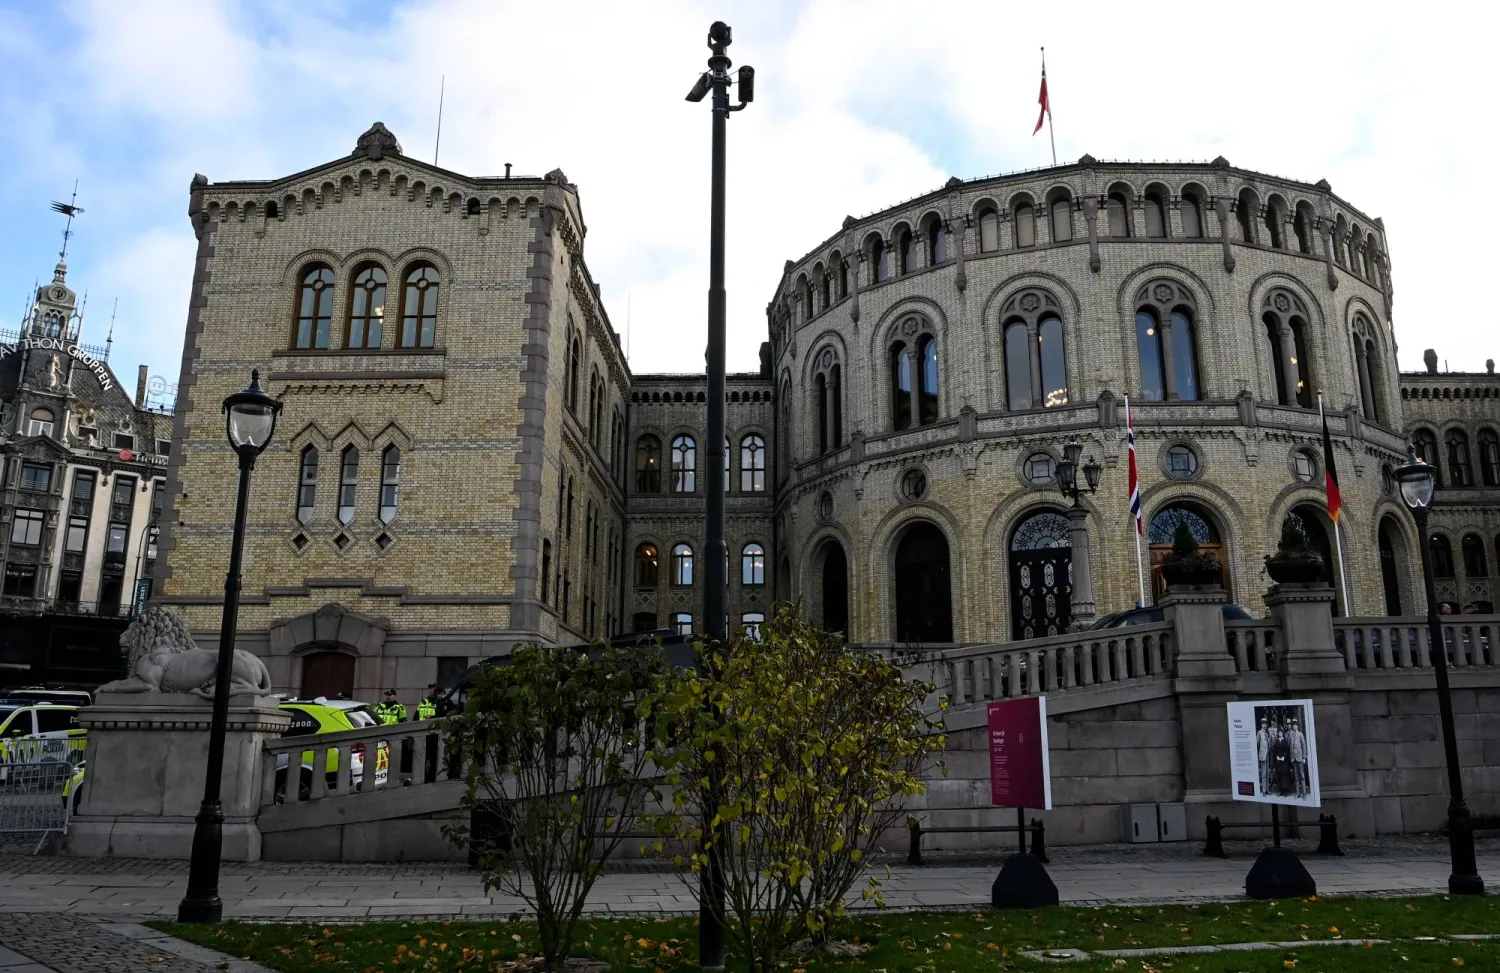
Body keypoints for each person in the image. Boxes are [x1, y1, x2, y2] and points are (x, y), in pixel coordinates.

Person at [1288, 718, 1309, 798]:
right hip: (1294, 758)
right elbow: (1291, 747)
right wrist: (1291, 757)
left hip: (1300, 758)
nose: (1294, 727)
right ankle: (1298, 793)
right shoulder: (1291, 735)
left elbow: (1303, 746)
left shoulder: (1300, 734)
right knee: (1296, 777)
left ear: (1297, 726)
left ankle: (1304, 793)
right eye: (1293, 725)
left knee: (1302, 776)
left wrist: (1304, 757)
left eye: (1295, 725)